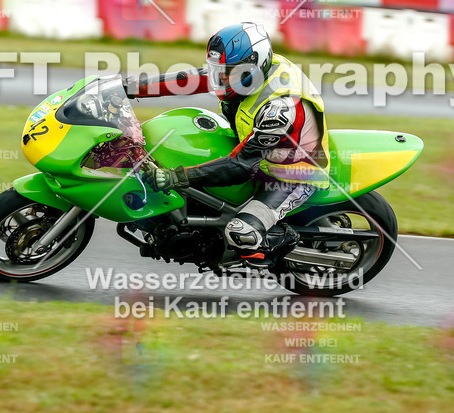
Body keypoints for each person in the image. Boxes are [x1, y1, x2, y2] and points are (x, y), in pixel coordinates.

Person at [128, 22, 330, 268]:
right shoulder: (242, 72)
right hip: (257, 147)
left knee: (241, 231)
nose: (220, 79)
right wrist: (132, 87)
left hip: (291, 173)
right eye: (218, 71)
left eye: (229, 73)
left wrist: (174, 177)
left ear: (254, 69)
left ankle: (277, 242)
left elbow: (240, 166)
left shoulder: (280, 108)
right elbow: (193, 80)